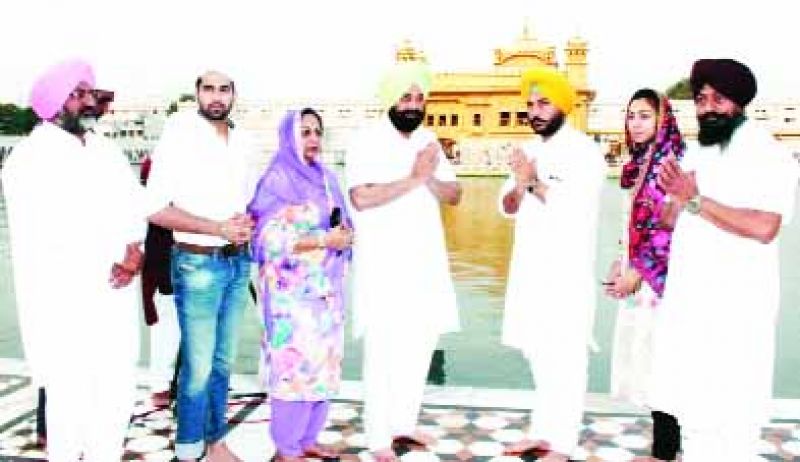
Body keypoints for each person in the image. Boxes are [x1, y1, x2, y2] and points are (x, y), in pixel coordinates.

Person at [649, 59, 798, 460]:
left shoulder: (769, 155)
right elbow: (671, 218)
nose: (708, 108)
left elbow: (765, 226)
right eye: (701, 99)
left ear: (739, 101)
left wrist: (695, 200)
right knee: (694, 418)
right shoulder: (699, 152)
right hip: (690, 308)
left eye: (719, 99)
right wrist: (672, 199)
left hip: (736, 314)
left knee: (733, 424)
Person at [2, 59, 149, 462]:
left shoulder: (105, 150)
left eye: (89, 93)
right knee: (69, 402)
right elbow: (49, 232)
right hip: (64, 302)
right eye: (77, 94)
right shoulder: (29, 159)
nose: (88, 101)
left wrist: (134, 250)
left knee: (116, 392)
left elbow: (134, 205)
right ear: (53, 102)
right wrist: (108, 256)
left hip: (115, 295)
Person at [346, 61, 462, 462]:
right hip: (384, 265)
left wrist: (429, 177)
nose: (413, 105)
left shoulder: (429, 140)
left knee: (420, 345)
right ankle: (378, 436)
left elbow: (455, 195)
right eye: (405, 97)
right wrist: (414, 178)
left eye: (418, 98)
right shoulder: (365, 140)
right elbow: (361, 197)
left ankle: (403, 425)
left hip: (426, 263)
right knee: (384, 350)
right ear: (389, 100)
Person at [145, 69, 258, 462]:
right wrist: (218, 228)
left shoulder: (243, 141)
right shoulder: (180, 134)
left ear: (234, 95)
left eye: (224, 89)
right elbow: (155, 209)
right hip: (196, 263)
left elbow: (249, 202)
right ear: (197, 93)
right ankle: (189, 449)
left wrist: (246, 224)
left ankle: (215, 443)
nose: (216, 96)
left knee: (223, 364)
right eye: (208, 89)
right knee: (197, 367)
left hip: (237, 263)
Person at [499, 66, 605, 462]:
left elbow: (576, 208)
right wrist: (518, 185)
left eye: (544, 103)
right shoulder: (530, 150)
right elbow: (507, 206)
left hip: (565, 274)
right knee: (539, 355)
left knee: (566, 357)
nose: (535, 112)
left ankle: (563, 443)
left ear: (562, 106)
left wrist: (531, 182)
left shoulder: (585, 153)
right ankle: (542, 432)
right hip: (530, 272)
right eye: (530, 105)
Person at [247, 108, 353, 462]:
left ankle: (308, 439)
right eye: (304, 132)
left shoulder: (327, 178)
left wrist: (343, 236)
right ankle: (287, 448)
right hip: (290, 300)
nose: (313, 139)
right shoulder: (277, 179)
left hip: (326, 295)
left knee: (323, 365)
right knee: (294, 368)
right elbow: (266, 238)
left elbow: (342, 225)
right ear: (289, 137)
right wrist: (323, 240)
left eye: (317, 132)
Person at [604, 89, 684, 461]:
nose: (635, 124)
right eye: (631, 115)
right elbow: (634, 224)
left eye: (645, 116)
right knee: (651, 362)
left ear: (662, 120)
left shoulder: (668, 165)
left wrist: (637, 272)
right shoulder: (641, 163)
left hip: (662, 281)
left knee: (663, 362)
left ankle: (665, 453)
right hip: (645, 277)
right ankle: (665, 449)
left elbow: (667, 230)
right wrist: (620, 261)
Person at [140, 153, 181, 406]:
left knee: (178, 328)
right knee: (166, 326)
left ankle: (169, 383)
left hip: (179, 259)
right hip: (162, 262)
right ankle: (160, 385)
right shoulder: (157, 165)